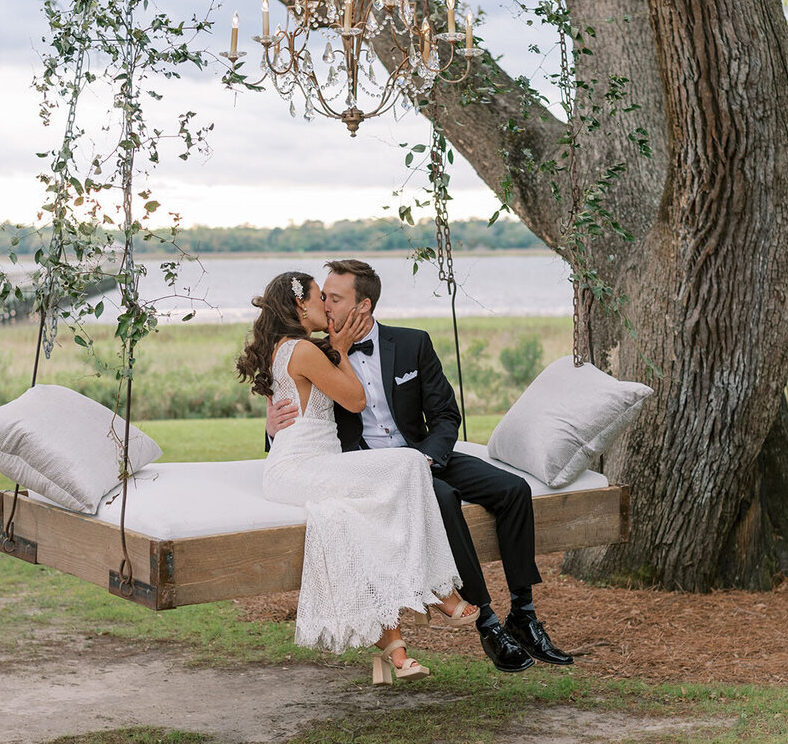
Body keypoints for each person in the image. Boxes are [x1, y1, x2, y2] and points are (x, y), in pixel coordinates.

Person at [266, 259, 573, 672]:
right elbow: (298, 422)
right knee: (443, 500)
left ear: (364, 306)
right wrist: (270, 427)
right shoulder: (320, 353)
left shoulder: (412, 343)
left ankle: (524, 612)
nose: (329, 306)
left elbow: (446, 414)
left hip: (424, 454)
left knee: (514, 490)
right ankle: (488, 622)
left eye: (335, 298)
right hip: (373, 469)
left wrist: (430, 455)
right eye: (324, 298)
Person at [236, 271, 477, 686]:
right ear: (299, 306)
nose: (325, 306)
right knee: (408, 464)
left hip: (304, 466)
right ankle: (438, 589)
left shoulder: (287, 347)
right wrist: (342, 351)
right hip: (301, 468)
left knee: (354, 519)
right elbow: (356, 398)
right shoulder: (304, 350)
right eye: (318, 298)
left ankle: (393, 648)